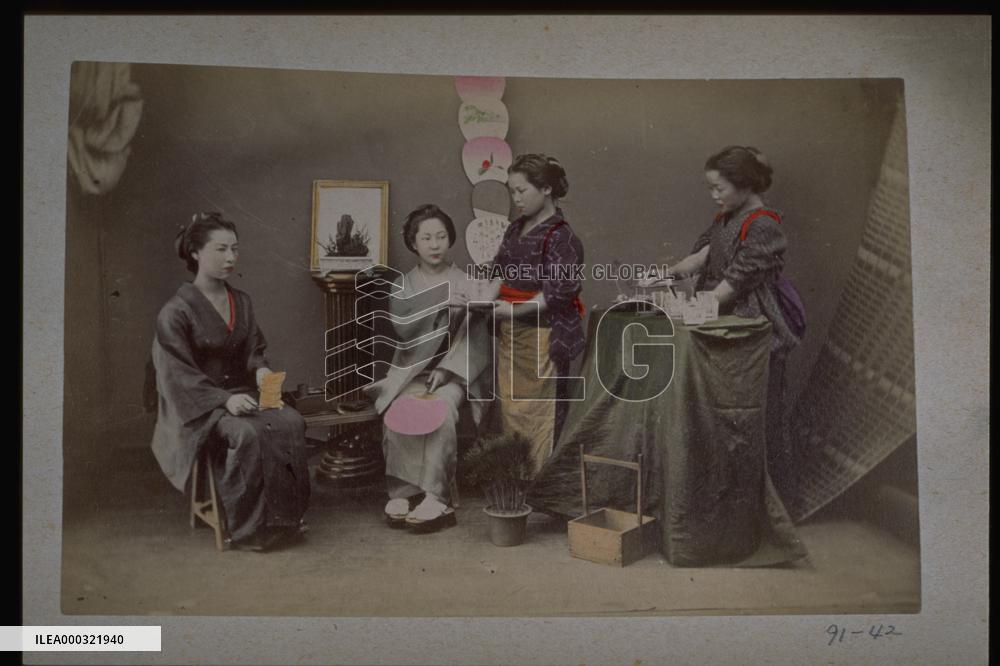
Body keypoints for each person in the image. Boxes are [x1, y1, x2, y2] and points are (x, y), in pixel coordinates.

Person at [150, 212, 310, 551]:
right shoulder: (175, 311)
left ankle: (286, 519)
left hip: (243, 392)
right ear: (195, 253)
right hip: (202, 403)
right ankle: (250, 528)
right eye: (220, 250)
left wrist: (261, 371)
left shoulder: (242, 302)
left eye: (235, 249)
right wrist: (223, 400)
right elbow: (177, 375)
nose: (230, 258)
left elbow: (254, 350)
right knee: (248, 433)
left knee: (292, 422)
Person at [659, 145, 800, 481]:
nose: (713, 195)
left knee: (754, 415)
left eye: (718, 188)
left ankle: (766, 501)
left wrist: (691, 310)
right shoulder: (726, 218)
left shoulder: (763, 225)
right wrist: (667, 275)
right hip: (722, 317)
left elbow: (734, 284)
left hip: (748, 324)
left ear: (745, 184)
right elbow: (702, 257)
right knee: (720, 411)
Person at [364, 204, 492, 532]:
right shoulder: (402, 284)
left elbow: (475, 338)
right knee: (400, 406)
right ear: (413, 243)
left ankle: (437, 495)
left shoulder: (466, 281)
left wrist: (449, 371)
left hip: (455, 371)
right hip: (411, 368)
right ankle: (403, 491)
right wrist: (440, 304)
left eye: (441, 237)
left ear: (450, 240)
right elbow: (403, 328)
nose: (435, 244)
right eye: (426, 238)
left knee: (441, 407)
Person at [489, 154, 586, 474]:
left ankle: (539, 485)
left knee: (540, 412)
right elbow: (499, 272)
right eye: (512, 191)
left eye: (522, 191)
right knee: (512, 408)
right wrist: (483, 302)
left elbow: (558, 292)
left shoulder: (561, 236)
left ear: (546, 189)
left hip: (545, 332)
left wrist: (512, 310)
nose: (516, 199)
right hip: (510, 331)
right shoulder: (515, 228)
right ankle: (517, 483)